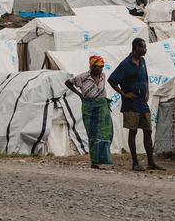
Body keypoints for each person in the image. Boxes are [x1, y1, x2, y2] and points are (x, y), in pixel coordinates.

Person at [109, 38, 162, 172]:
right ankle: (135, 163)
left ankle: (151, 162)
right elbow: (112, 80)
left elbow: (145, 77)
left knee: (148, 131)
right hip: (131, 104)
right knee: (133, 131)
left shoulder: (142, 61)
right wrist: (124, 94)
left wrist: (147, 90)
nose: (145, 50)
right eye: (143, 47)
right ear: (136, 48)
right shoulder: (125, 64)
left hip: (142, 103)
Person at [65, 55, 113, 169]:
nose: (100, 69)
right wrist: (79, 94)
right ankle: (95, 161)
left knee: (106, 133)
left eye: (102, 66)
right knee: (93, 133)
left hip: (102, 106)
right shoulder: (83, 77)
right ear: (91, 66)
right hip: (89, 106)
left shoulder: (103, 76)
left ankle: (105, 160)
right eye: (98, 66)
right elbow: (68, 82)